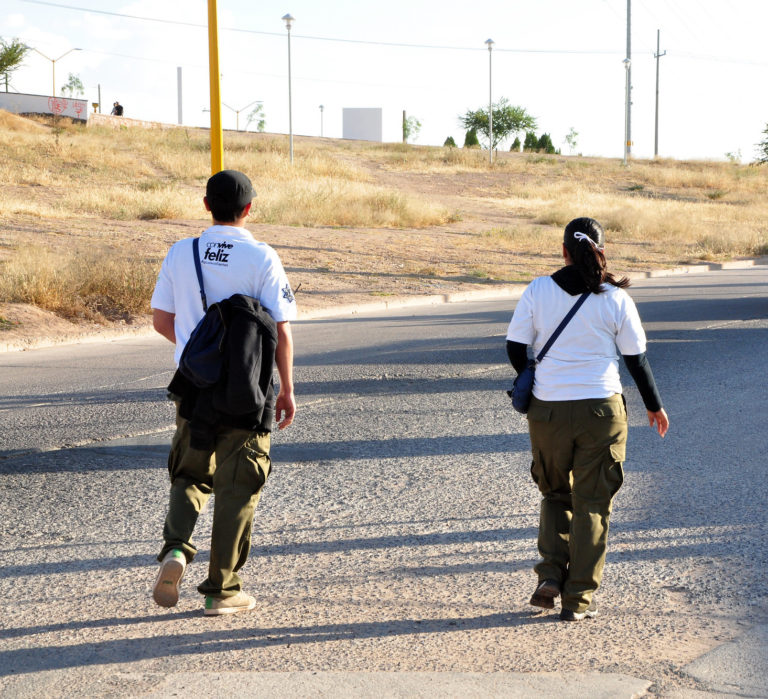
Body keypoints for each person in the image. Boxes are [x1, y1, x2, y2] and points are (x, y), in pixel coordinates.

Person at [505, 216, 669, 622]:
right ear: (600, 250)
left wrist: (537, 375)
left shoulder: (538, 289)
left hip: (548, 411)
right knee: (592, 504)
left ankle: (549, 578)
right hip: (601, 411)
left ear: (563, 250)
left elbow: (515, 347)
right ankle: (578, 600)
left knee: (555, 494)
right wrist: (653, 405)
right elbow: (636, 360)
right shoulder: (615, 298)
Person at [150, 169, 297, 616]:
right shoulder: (262, 256)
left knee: (190, 471)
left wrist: (202, 354)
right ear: (249, 208)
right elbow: (282, 332)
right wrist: (287, 389)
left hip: (194, 387)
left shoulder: (181, 252)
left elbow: (161, 319)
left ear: (205, 205)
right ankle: (222, 590)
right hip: (248, 389)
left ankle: (176, 549)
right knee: (238, 486)